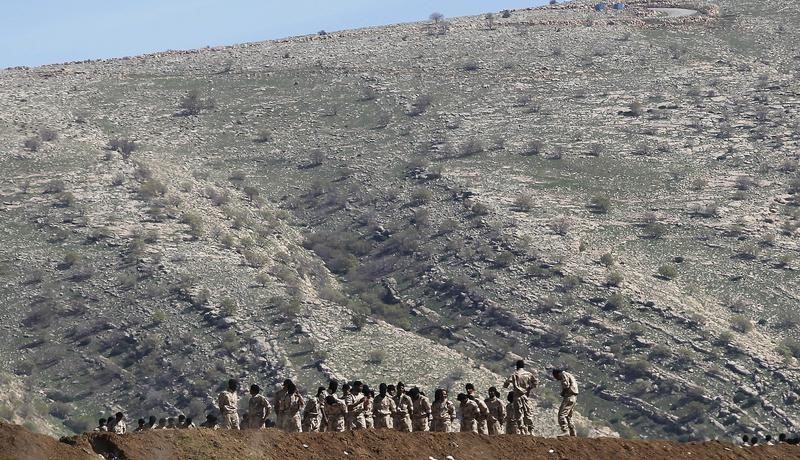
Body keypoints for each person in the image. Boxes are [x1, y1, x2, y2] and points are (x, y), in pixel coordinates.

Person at [503, 360, 538, 433]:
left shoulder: (514, 374)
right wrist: (529, 388)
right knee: (527, 413)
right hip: (525, 396)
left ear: (516, 366)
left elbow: (505, 385)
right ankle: (531, 431)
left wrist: (508, 384)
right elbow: (535, 383)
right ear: (523, 366)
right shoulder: (528, 374)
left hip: (517, 397)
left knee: (518, 415)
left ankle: (522, 430)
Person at [553, 369, 578, 437]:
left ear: (558, 374)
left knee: (561, 414)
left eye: (556, 377)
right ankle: (572, 432)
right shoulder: (569, 375)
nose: (557, 379)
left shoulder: (563, 374)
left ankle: (565, 430)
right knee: (568, 416)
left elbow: (566, 385)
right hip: (573, 397)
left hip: (569, 397)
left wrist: (563, 392)